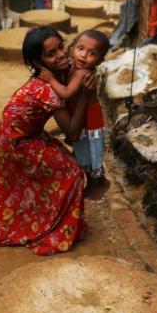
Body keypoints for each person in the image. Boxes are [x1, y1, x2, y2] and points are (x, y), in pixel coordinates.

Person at [0, 27, 88, 255]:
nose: (60, 54)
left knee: (61, 162)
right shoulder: (47, 89)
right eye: (51, 54)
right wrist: (86, 98)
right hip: (19, 141)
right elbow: (72, 130)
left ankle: (43, 217)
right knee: (73, 173)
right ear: (38, 63)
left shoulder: (53, 80)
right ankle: (55, 228)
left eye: (60, 47)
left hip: (22, 134)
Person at [41, 29, 111, 193]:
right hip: (82, 116)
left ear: (100, 60)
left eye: (92, 53)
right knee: (83, 150)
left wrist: (50, 79)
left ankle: (96, 183)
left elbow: (66, 93)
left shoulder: (83, 72)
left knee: (88, 151)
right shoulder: (73, 67)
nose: (84, 56)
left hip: (89, 120)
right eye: (80, 49)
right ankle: (94, 180)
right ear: (73, 47)